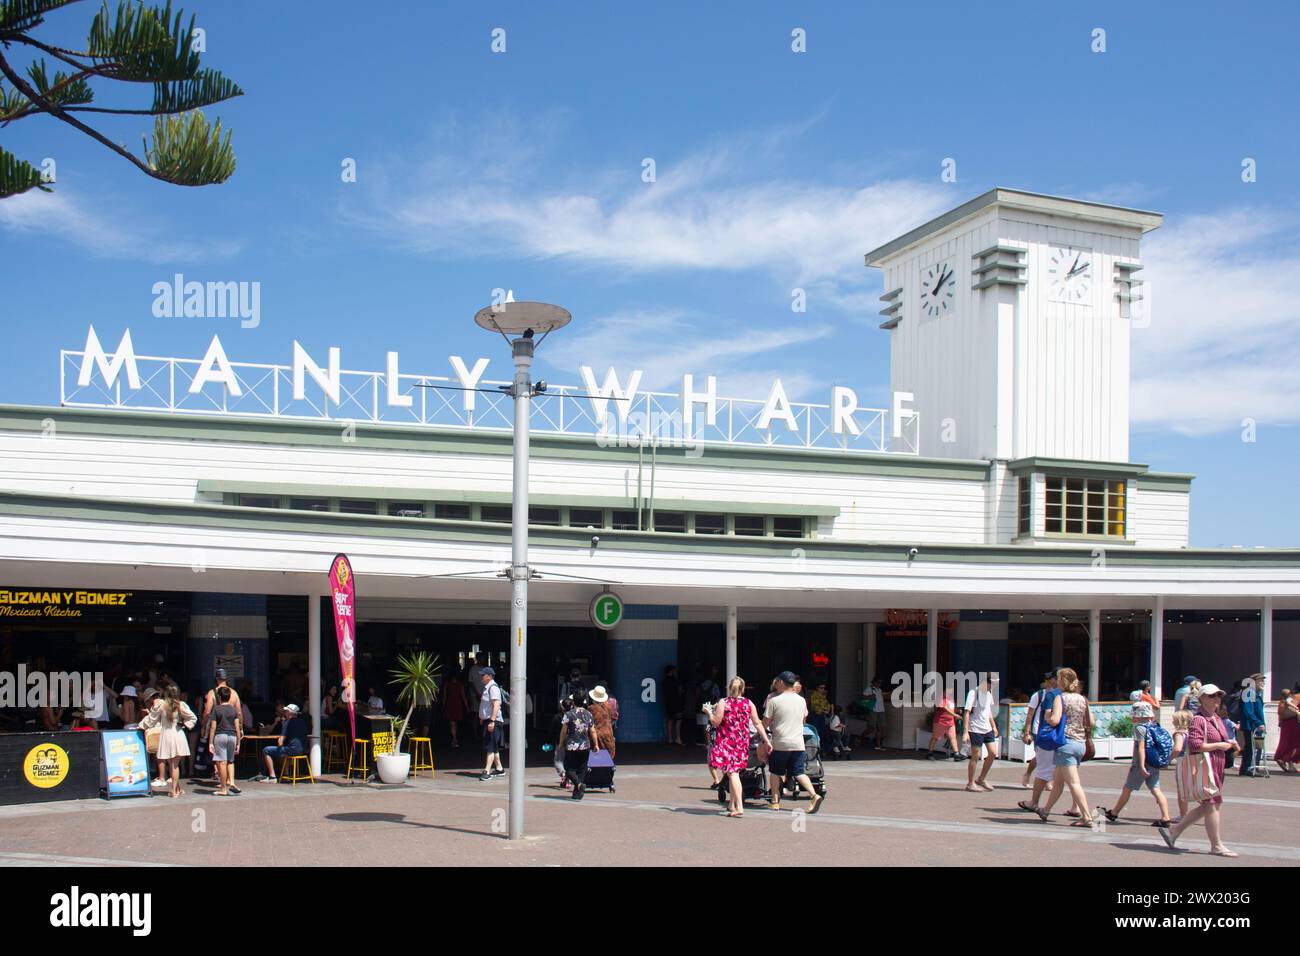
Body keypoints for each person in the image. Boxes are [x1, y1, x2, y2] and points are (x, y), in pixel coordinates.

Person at [1160, 684, 1237, 856]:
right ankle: (1216, 845)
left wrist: (1228, 744)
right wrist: (1220, 745)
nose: (1216, 698)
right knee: (1212, 804)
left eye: (1218, 695)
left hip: (1216, 766)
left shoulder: (1216, 718)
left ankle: (1175, 831)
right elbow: (1195, 745)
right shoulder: (1199, 719)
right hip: (1206, 766)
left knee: (1207, 805)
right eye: (1212, 695)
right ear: (1202, 698)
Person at [1034, 668, 1097, 828]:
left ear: (1062, 681)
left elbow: (1054, 720)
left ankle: (1087, 817)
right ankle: (1046, 810)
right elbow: (1091, 722)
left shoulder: (1060, 698)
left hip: (1066, 743)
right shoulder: (1083, 699)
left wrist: (1048, 717)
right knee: (1058, 781)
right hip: (1080, 744)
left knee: (1074, 783)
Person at [1100, 700, 1171, 827]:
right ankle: (1166, 817)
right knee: (1156, 790)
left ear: (1137, 715)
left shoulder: (1140, 728)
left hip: (1141, 765)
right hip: (1154, 763)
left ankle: (1114, 812)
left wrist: (1142, 765)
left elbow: (1141, 748)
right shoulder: (1155, 725)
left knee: (1127, 788)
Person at [762, 671, 824, 813]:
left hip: (780, 743)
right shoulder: (801, 700)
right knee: (799, 773)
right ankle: (814, 795)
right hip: (798, 743)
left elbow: (765, 722)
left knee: (775, 772)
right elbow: (803, 721)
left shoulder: (774, 701)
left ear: (782, 683)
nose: (776, 684)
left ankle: (775, 802)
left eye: (778, 681)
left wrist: (760, 735)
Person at [709, 676, 771, 817]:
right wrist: (766, 740)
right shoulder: (749, 703)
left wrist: (708, 713)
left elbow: (716, 722)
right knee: (733, 772)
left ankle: (739, 807)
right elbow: (757, 723)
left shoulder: (723, 703)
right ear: (743, 689)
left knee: (733, 773)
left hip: (726, 743)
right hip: (742, 743)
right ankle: (732, 804)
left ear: (729, 688)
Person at [138, 685, 197, 797]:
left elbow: (151, 719)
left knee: (172, 764)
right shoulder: (181, 705)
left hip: (167, 735)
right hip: (178, 734)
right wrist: (185, 725)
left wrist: (141, 725)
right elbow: (193, 717)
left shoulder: (161, 705)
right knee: (174, 764)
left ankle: (174, 790)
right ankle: (177, 789)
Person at [558, 692, 600, 800]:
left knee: (569, 768)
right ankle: (577, 794)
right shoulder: (588, 714)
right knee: (582, 769)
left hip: (572, 745)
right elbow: (593, 731)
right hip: (585, 745)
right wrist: (596, 744)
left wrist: (561, 743)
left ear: (573, 702)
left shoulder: (569, 714)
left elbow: (563, 731)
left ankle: (578, 785)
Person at [962, 674, 1000, 792]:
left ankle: (981, 778)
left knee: (993, 753)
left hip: (987, 728)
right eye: (993, 684)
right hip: (975, 728)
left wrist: (993, 726)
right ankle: (970, 783)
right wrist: (965, 732)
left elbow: (988, 712)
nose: (994, 686)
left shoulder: (989, 694)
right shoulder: (974, 693)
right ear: (987, 682)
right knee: (976, 756)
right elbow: (967, 713)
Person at [253, 703, 309, 783]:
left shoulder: (287, 723)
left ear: (290, 713)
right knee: (285, 750)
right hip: (302, 750)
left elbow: (280, 742)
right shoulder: (302, 722)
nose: (285, 712)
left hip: (291, 750)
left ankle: (272, 777)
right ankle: (285, 774)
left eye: (286, 711)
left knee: (266, 750)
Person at [206, 685, 243, 796]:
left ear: (219, 697)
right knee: (230, 761)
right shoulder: (233, 710)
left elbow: (213, 726)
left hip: (220, 736)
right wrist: (238, 743)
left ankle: (223, 788)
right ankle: (231, 782)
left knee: (222, 763)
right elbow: (237, 727)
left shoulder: (217, 709)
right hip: (232, 736)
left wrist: (210, 742)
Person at [478, 667, 506, 781]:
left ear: (489, 676)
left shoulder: (493, 688)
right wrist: (483, 718)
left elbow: (496, 705)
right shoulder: (488, 688)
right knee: (492, 745)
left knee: (490, 745)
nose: (481, 676)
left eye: (483, 675)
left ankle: (487, 770)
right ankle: (499, 768)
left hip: (492, 721)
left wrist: (492, 721)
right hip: (488, 720)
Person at [926, 684, 959, 760]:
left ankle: (956, 754)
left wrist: (957, 711)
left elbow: (952, 708)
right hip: (940, 721)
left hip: (950, 722)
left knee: (953, 737)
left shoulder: (951, 698)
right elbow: (945, 708)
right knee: (935, 737)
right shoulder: (941, 697)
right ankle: (930, 753)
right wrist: (955, 715)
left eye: (951, 689)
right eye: (949, 689)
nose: (951, 691)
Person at [1170, 710, 1192, 821]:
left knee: (1182, 790)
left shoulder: (1179, 733)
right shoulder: (1191, 732)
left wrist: (1168, 759)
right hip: (1192, 761)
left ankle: (1183, 815)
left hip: (1182, 762)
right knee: (1192, 788)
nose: (1172, 721)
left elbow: (1178, 748)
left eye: (1174, 719)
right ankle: (1209, 807)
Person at [1275, 686, 1300, 772]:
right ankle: (1284, 759)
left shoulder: (1290, 698)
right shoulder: (1297, 697)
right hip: (1294, 723)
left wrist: (1280, 720)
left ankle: (1290, 765)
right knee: (1296, 744)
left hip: (1287, 723)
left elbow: (1281, 712)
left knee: (1288, 743)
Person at [588, 685, 617, 759]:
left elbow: (590, 725)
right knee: (607, 759)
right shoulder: (608, 707)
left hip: (597, 737)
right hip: (609, 735)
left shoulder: (591, 708)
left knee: (597, 760)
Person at [441, 672, 469, 748]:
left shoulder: (447, 684)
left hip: (450, 704)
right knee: (454, 723)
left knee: (452, 723)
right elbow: (463, 696)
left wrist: (443, 706)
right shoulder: (460, 684)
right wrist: (466, 706)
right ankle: (454, 739)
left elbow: (444, 696)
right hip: (457, 704)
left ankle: (454, 738)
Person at [663, 665, 683, 745]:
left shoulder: (664, 681)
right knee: (678, 720)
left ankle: (670, 739)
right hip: (676, 702)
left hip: (667, 703)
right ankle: (678, 738)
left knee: (670, 720)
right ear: (671, 671)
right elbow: (680, 691)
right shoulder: (675, 680)